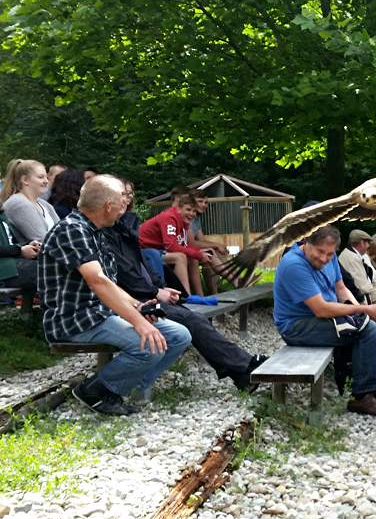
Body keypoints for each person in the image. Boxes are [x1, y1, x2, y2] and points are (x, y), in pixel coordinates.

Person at [38, 175, 192, 416]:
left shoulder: (98, 231)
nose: (125, 206)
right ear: (108, 206)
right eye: (122, 201)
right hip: (75, 319)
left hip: (101, 313)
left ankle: (122, 387)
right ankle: (94, 391)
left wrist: (138, 306)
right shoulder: (71, 230)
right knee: (149, 347)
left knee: (180, 335)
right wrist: (139, 322)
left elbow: (108, 283)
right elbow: (97, 281)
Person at [103, 184, 265, 391]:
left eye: (129, 194)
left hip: (144, 295)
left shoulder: (124, 226)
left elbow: (144, 266)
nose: (127, 199)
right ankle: (244, 367)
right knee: (189, 321)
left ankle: (242, 370)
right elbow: (123, 274)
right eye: (122, 194)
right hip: (128, 303)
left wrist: (162, 288)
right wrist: (156, 292)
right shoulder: (106, 231)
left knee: (192, 317)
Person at [273, 225, 376, 416]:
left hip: (323, 317)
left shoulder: (330, 258)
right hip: (297, 326)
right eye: (320, 252)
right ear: (307, 243)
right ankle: (361, 396)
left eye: (330, 254)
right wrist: (362, 310)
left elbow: (340, 288)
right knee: (366, 330)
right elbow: (321, 309)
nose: (324, 258)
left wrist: (361, 313)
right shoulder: (293, 265)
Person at [138, 194, 214, 294]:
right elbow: (171, 245)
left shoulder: (184, 221)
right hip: (143, 250)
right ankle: (186, 296)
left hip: (158, 249)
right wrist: (198, 254)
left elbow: (183, 245)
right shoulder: (169, 217)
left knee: (192, 257)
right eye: (188, 209)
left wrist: (199, 252)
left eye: (194, 211)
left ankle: (200, 296)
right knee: (180, 257)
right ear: (179, 209)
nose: (191, 214)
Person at [0, 159, 60, 244]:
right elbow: (42, 239)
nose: (46, 181)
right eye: (40, 177)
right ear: (25, 180)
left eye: (46, 177)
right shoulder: (19, 204)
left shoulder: (44, 204)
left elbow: (62, 231)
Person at [0, 209, 39, 291]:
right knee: (51, 269)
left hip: (11, 263)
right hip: (5, 270)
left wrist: (29, 246)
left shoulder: (2, 215)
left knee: (55, 263)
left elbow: (9, 243)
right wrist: (20, 250)